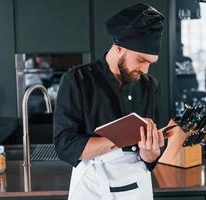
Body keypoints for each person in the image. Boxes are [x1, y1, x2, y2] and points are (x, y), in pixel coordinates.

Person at [53, 3, 167, 200]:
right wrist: (117, 139)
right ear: (119, 47)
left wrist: (150, 152)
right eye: (141, 60)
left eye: (150, 63)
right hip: (92, 188)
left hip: (136, 189)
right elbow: (65, 145)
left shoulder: (151, 87)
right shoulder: (77, 80)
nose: (146, 70)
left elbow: (151, 158)